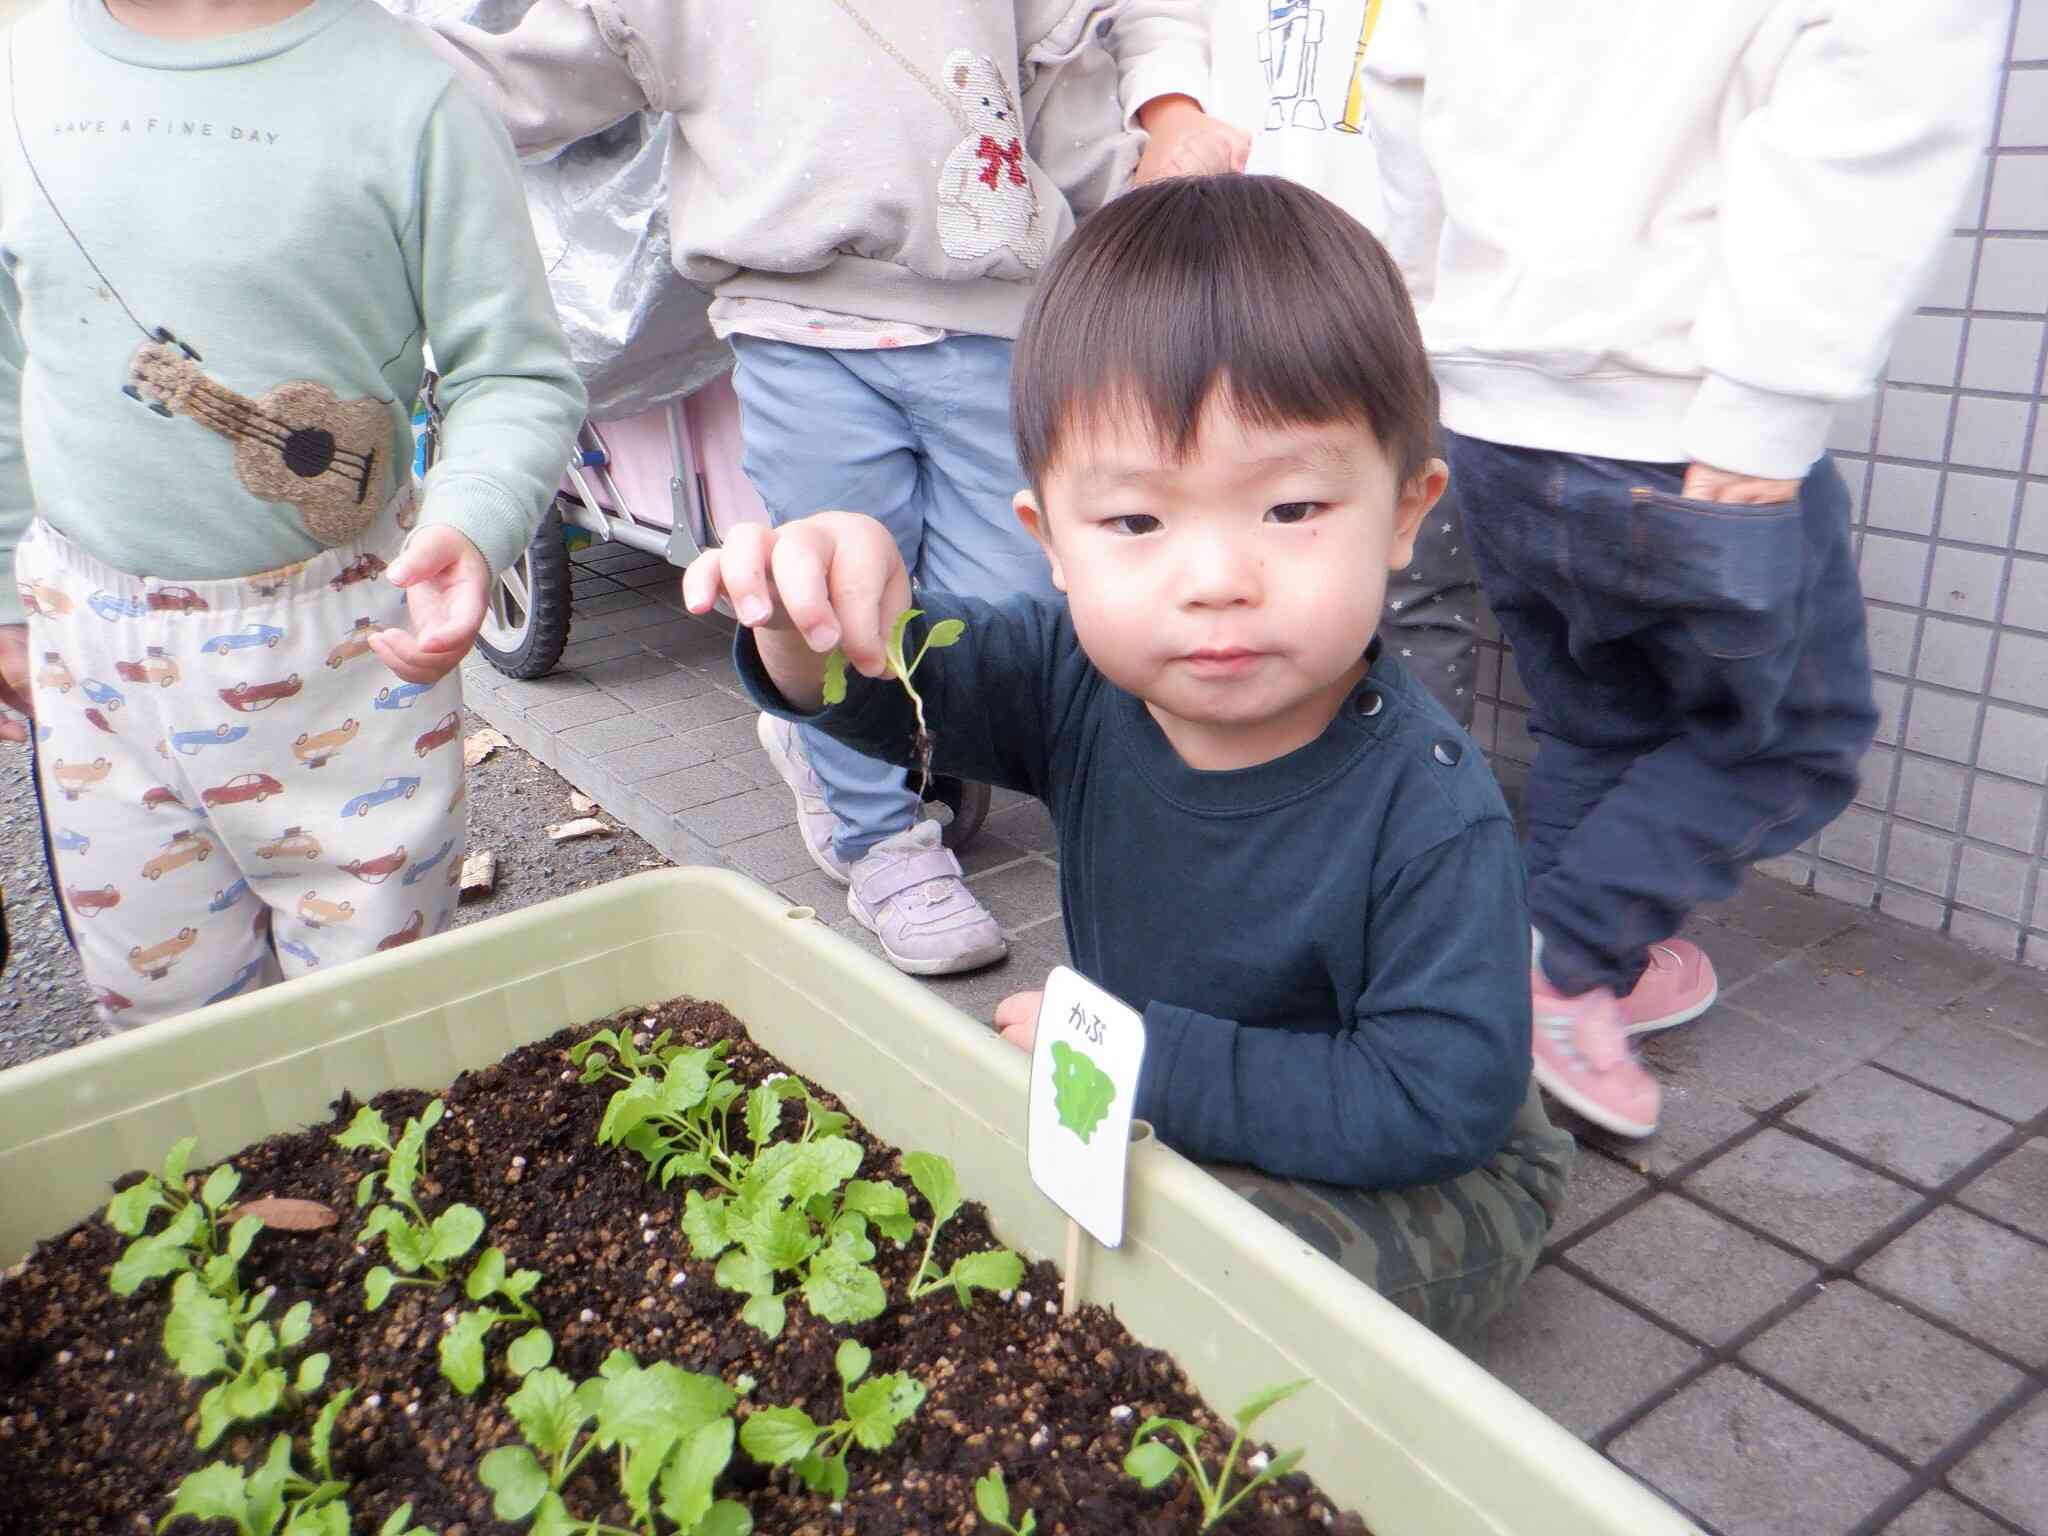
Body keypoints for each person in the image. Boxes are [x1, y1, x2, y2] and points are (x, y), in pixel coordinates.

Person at [683, 175, 1573, 1336]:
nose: (1213, 578)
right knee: (1018, 1214)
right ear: (1046, 542)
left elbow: (1432, 1102)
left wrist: (1151, 1071)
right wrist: (813, 625)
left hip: (1431, 1161)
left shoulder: (1431, 810)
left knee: (1195, 1287)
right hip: (1171, 1089)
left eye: (1291, 508)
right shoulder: (1072, 677)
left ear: (1406, 511)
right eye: (1136, 523)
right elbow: (901, 690)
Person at [417, 1, 1234, 979]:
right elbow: (519, 77)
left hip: (1002, 312)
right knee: (836, 602)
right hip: (796, 320)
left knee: (1015, 609)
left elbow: (1076, 43)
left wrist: (1165, 129)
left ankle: (830, 734)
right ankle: (878, 839)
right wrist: (317, 56)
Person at [1362, 1, 2008, 1136]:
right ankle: (1561, 968)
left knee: (1592, 720)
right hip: (1684, 417)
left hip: (1495, 418)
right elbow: (1875, 116)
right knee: (1791, 739)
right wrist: (1770, 403)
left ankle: (1541, 973)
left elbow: (1404, 108)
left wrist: (1425, 329)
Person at [0, 0, 585, 1027]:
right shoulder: (21, 66)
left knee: (375, 1018)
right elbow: (11, 361)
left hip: (345, 642)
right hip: (88, 650)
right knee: (161, 1023)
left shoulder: (418, 101)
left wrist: (475, 521)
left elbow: (515, 370)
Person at [1190, 0, 1480, 726]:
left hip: (1406, 312)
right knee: (1237, 570)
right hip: (1223, 289)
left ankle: (1426, 808)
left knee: (1413, 586)